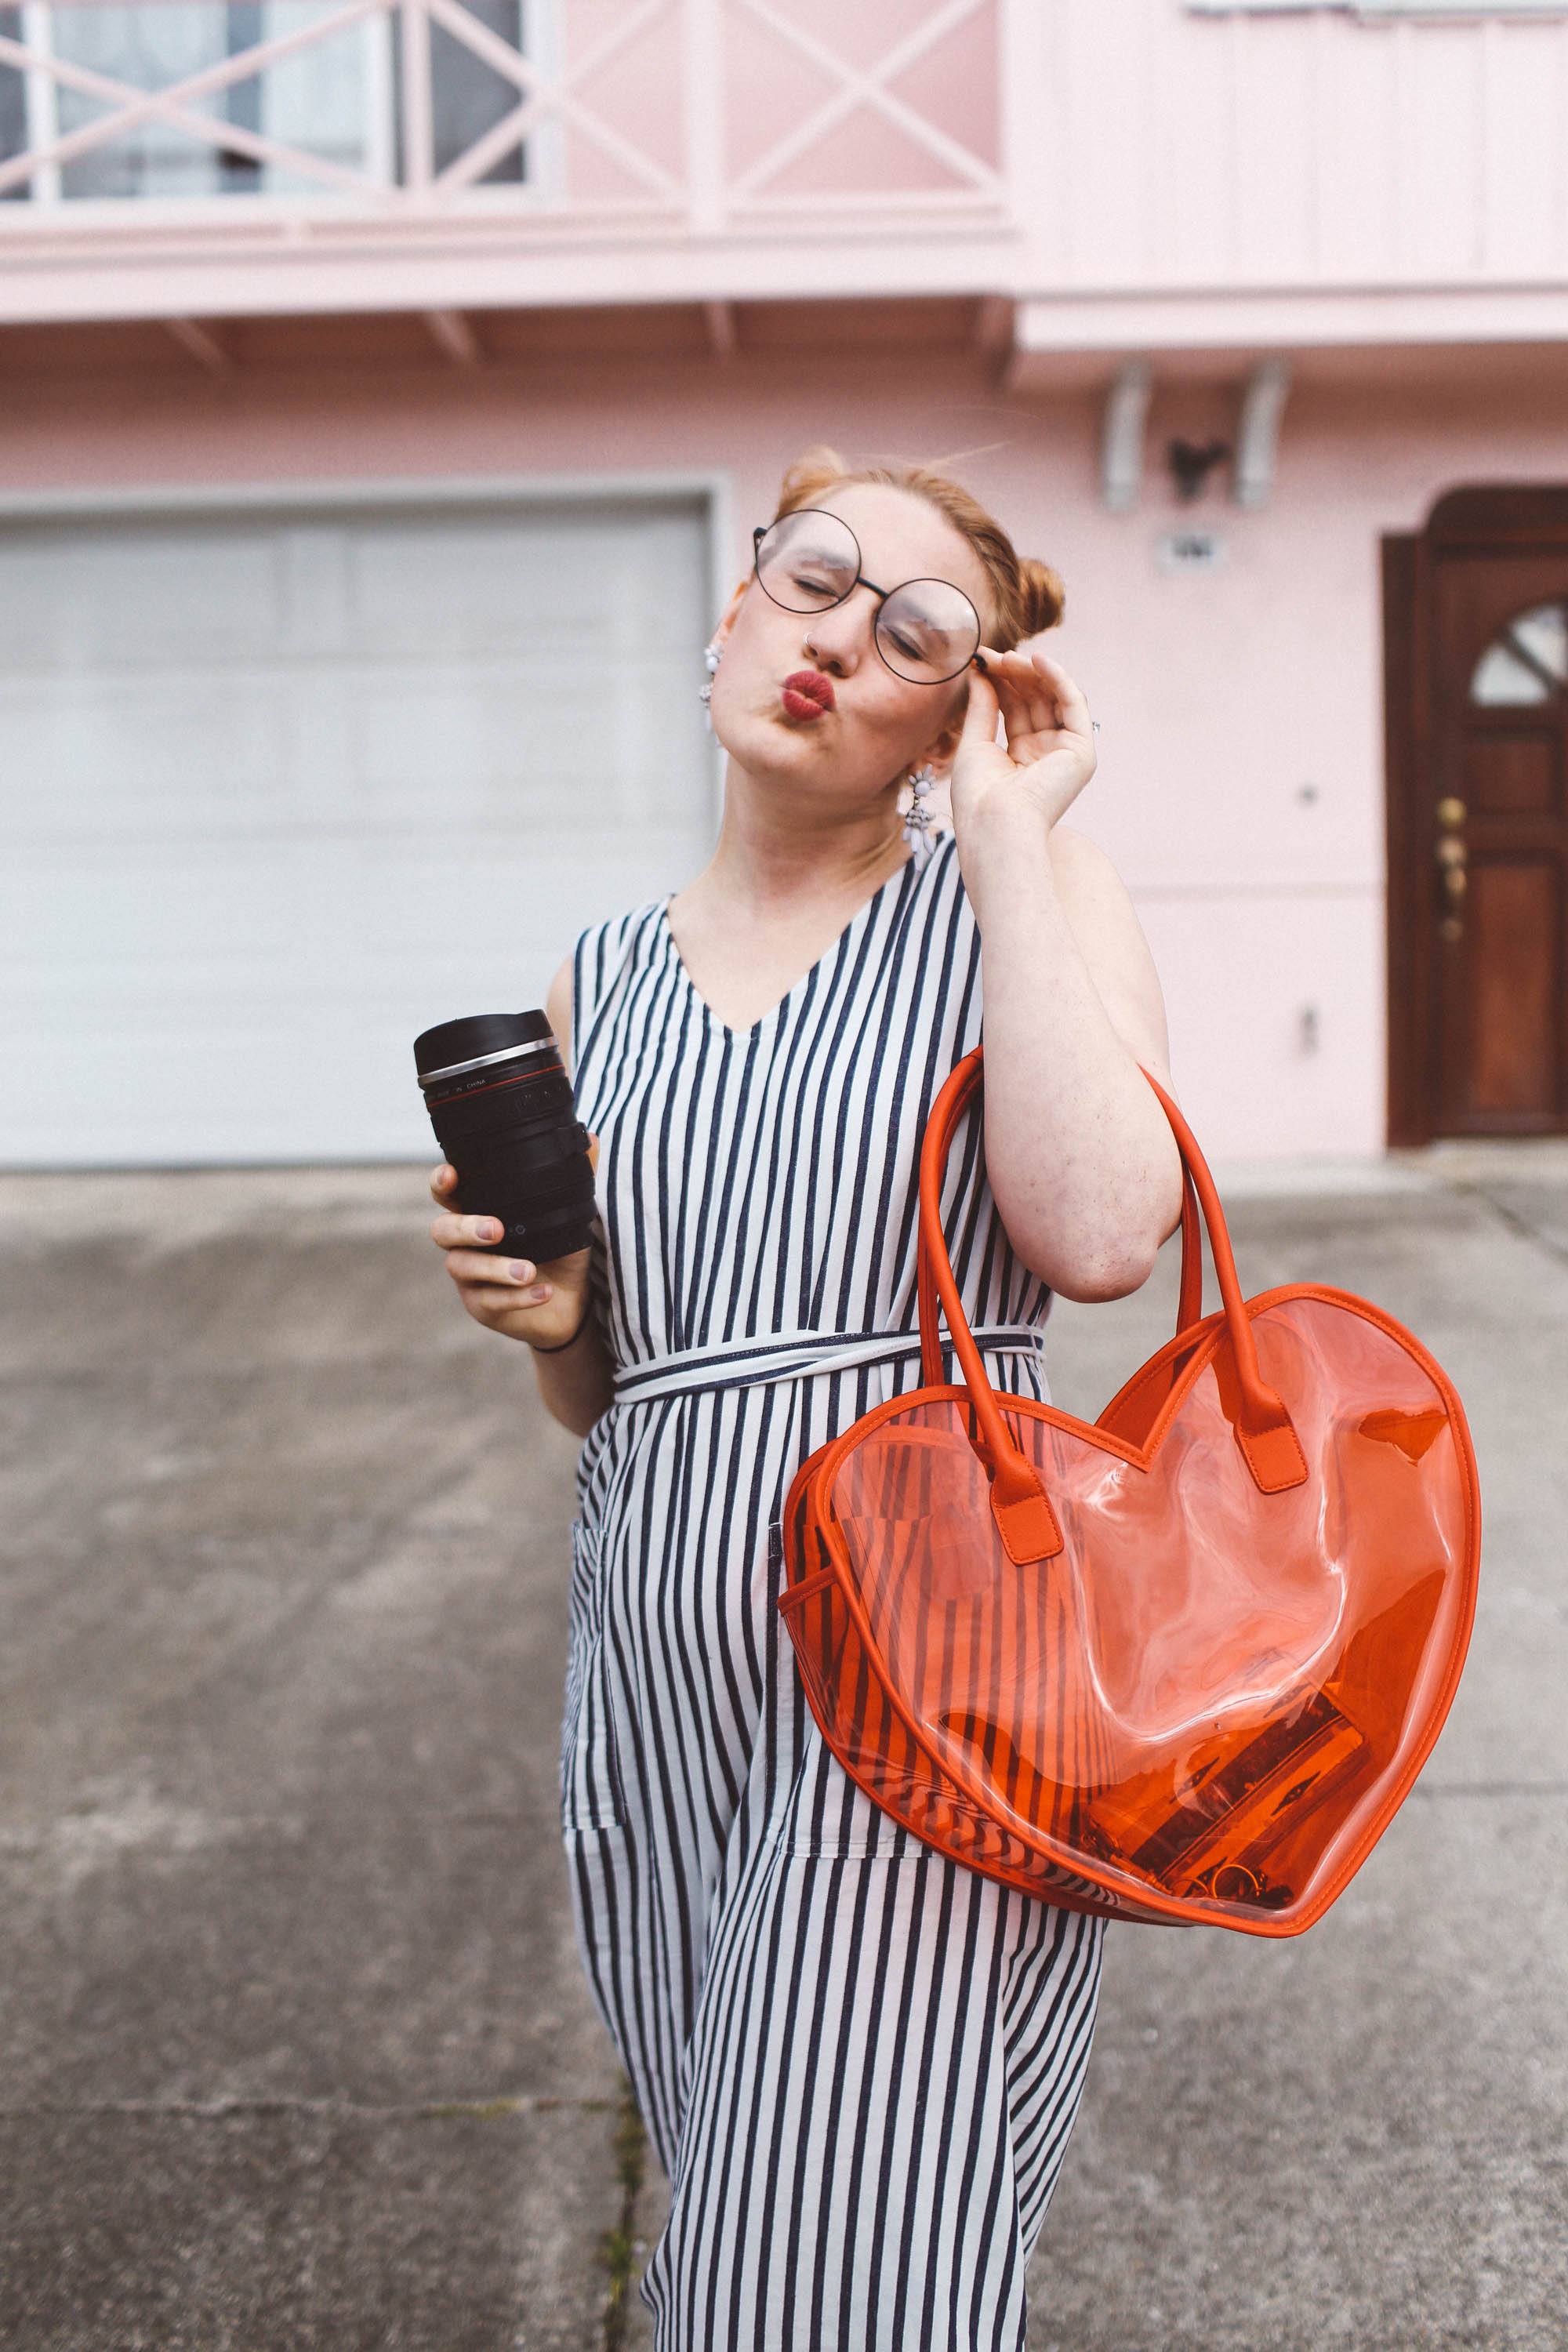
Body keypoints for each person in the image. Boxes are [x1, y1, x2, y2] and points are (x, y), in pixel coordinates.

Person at [428, 446, 1185, 2350]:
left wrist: (1006, 835)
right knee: (749, 2175)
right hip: (659, 1670)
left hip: (933, 1658)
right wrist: (549, 1318)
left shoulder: (1029, 897)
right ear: (731, 610)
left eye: (917, 634)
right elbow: (609, 1401)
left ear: (955, 718)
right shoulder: (598, 980)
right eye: (815, 578)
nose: (840, 639)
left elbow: (1105, 1234)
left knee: (836, 2236)